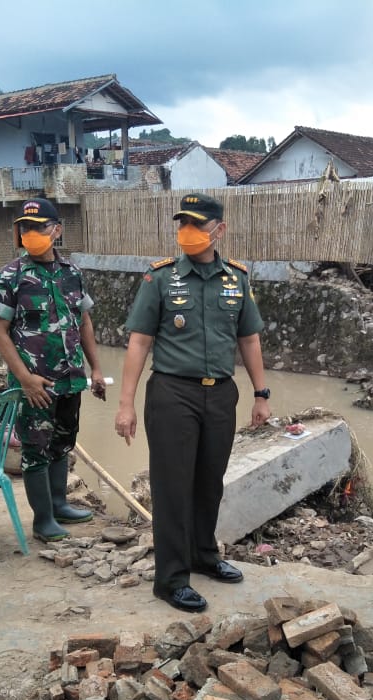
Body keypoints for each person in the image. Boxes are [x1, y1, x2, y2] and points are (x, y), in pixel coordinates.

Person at [114, 193, 271, 613]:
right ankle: (170, 579)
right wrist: (126, 405)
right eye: (182, 223)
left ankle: (205, 556)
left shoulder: (237, 278)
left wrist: (261, 393)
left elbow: (249, 338)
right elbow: (139, 342)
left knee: (208, 482)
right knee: (172, 487)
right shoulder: (161, 278)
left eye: (196, 225)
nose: (187, 232)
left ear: (219, 230)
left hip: (220, 393)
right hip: (172, 393)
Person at [0, 197, 107, 543]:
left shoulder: (71, 274)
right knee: (35, 449)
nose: (30, 233)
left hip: (70, 379)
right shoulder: (11, 277)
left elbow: (84, 322)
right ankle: (42, 521)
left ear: (56, 230)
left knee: (62, 442)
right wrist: (24, 379)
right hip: (34, 383)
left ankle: (59, 505)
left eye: (38, 227)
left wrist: (96, 369)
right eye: (24, 227)